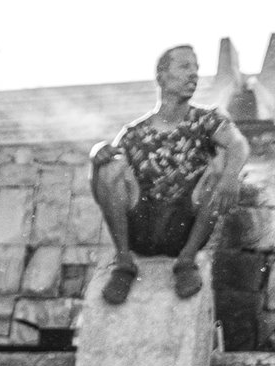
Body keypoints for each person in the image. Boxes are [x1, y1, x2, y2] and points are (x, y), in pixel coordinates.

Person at [90, 45, 250, 305]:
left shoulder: (206, 120)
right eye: (185, 66)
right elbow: (103, 183)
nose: (194, 75)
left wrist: (231, 176)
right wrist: (96, 153)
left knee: (218, 168)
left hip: (185, 228)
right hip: (143, 228)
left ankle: (186, 263)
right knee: (109, 166)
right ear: (161, 75)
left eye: (196, 68)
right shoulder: (134, 132)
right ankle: (123, 264)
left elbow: (238, 144)